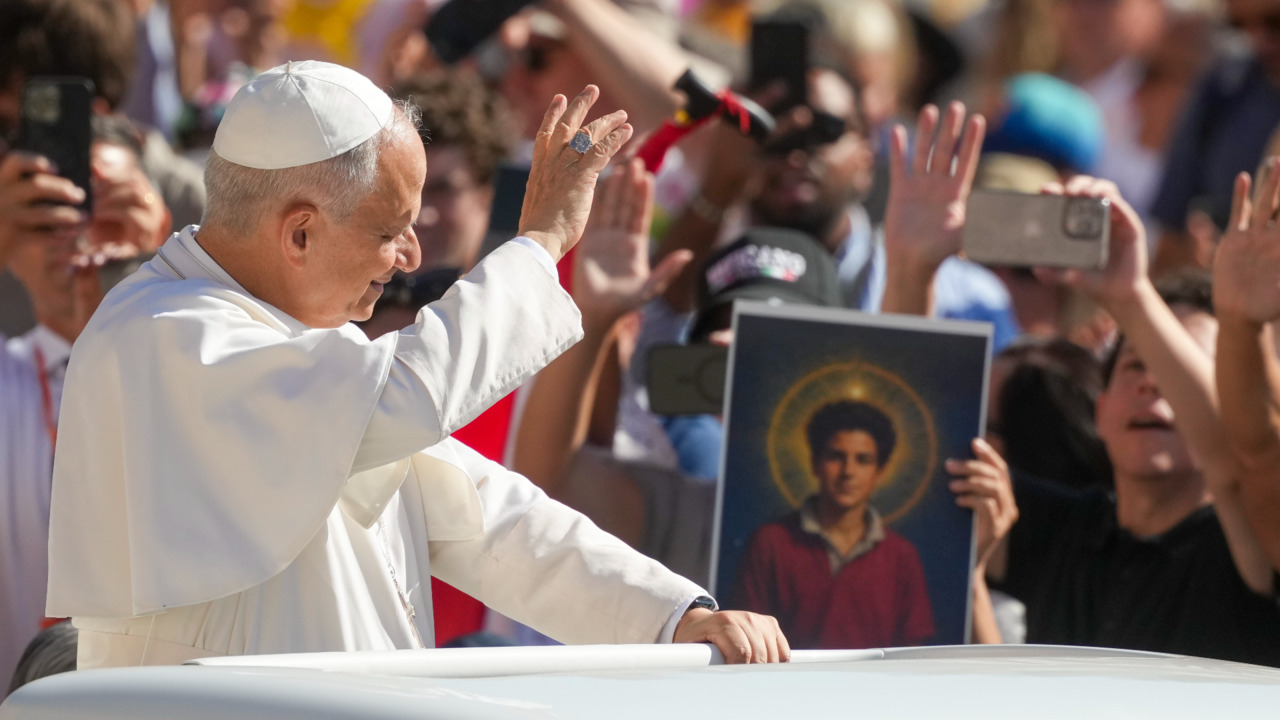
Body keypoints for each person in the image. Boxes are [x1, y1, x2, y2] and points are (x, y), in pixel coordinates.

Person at [44, 61, 788, 668]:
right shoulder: (162, 337)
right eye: (391, 229)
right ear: (299, 233)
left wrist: (675, 616)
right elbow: (408, 393)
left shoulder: (303, 346)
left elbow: (485, 518)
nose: (411, 257)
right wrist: (539, 246)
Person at [0, 114, 170, 699]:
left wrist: (171, 274)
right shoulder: (10, 377)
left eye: (105, 208)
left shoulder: (201, 375)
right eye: (51, 209)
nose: (77, 234)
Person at [733, 400, 934, 650]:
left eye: (863, 460)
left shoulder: (901, 557)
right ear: (815, 462)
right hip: (786, 685)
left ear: (880, 471)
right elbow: (746, 636)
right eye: (836, 457)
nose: (848, 471)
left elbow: (913, 650)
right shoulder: (771, 543)